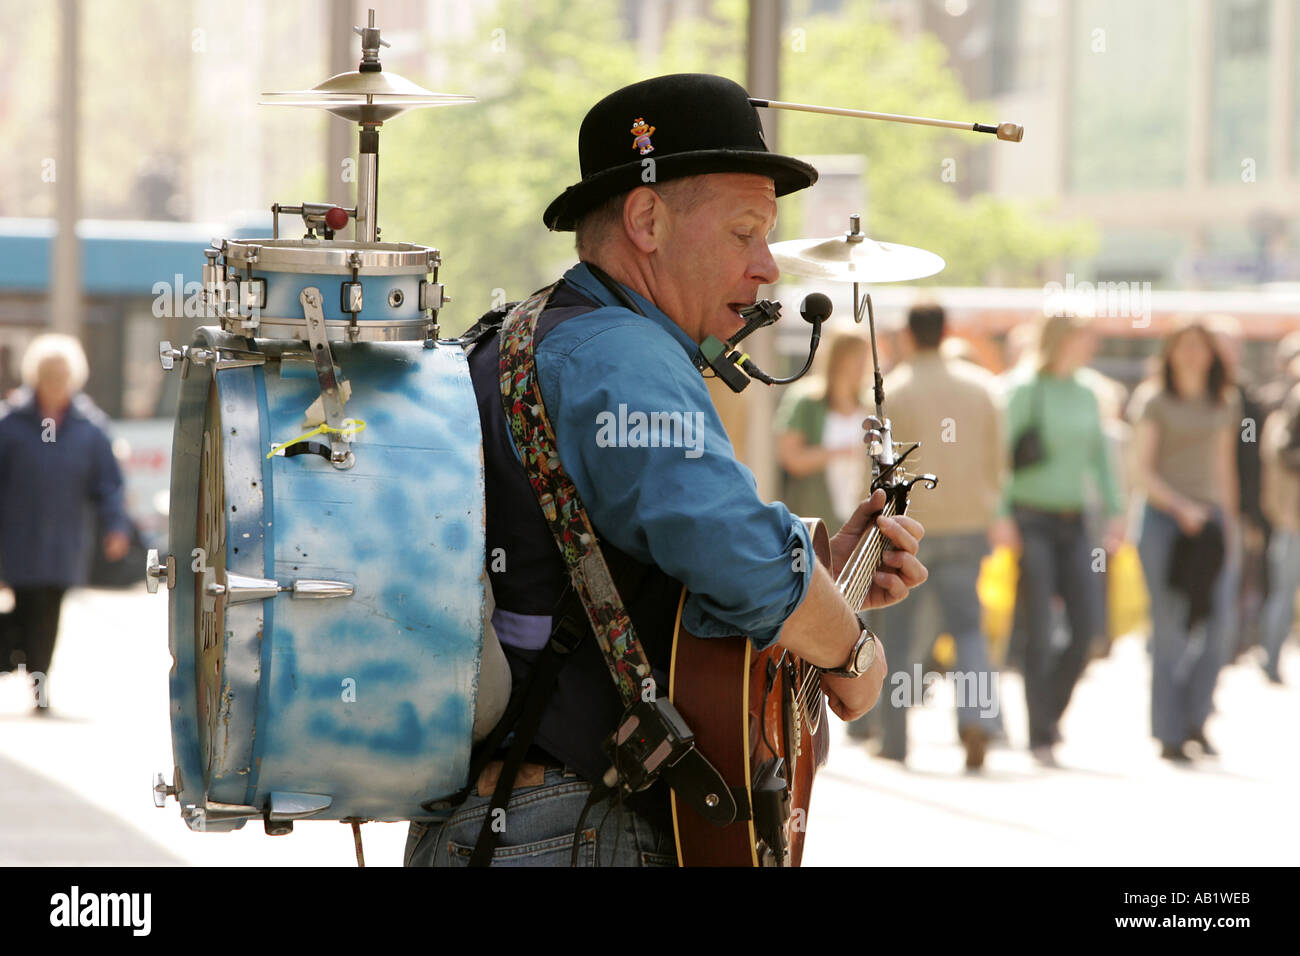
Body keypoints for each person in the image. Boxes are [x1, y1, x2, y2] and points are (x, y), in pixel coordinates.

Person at [403, 74, 928, 867]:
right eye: (745, 233)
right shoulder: (622, 353)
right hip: (574, 828)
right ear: (647, 220)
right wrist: (854, 651)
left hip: (503, 820)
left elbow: (640, 585)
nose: (768, 268)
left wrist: (826, 583)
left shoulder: (529, 333)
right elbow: (737, 557)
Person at [846, 303, 1005, 771]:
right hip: (968, 524)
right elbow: (998, 461)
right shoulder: (982, 388)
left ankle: (894, 738)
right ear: (946, 332)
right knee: (969, 629)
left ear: (909, 335)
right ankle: (977, 718)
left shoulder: (893, 391)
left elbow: (876, 467)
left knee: (897, 632)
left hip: (908, 528)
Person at [995, 313, 1125, 767]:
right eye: (1085, 336)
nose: (1092, 345)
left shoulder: (1089, 392)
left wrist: (1116, 511)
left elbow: (1101, 459)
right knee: (1039, 629)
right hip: (1031, 519)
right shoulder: (1023, 389)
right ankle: (1040, 733)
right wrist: (1001, 516)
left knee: (1088, 627)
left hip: (1076, 521)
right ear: (1061, 338)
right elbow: (999, 458)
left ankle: (1048, 712)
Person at [0, 334, 130, 713]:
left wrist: (116, 527)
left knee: (48, 616)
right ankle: (20, 663)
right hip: (18, 539)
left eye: (61, 376)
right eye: (48, 375)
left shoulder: (90, 428)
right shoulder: (10, 424)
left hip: (64, 540)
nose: (55, 383)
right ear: (34, 377)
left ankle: (38, 685)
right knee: (27, 610)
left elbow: (108, 485)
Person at [1129, 318, 1239, 762]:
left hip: (1210, 524)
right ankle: (1169, 730)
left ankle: (1197, 718)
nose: (1192, 355)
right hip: (1163, 523)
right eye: (1184, 346)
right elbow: (1141, 470)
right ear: (1170, 352)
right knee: (1170, 627)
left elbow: (1224, 468)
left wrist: (1229, 525)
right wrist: (1180, 509)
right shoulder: (1154, 400)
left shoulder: (1223, 402)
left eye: (1200, 346)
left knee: (1218, 628)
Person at [775, 332, 871, 528]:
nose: (862, 364)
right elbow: (791, 458)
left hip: (861, 519)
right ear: (838, 358)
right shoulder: (806, 401)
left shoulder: (870, 403)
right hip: (815, 518)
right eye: (855, 356)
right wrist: (841, 452)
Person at [1258, 379, 1300, 684]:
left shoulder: (1275, 428)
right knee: (1282, 597)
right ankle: (1270, 658)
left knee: (1281, 596)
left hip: (1285, 524)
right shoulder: (1278, 431)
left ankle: (1269, 658)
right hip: (1289, 524)